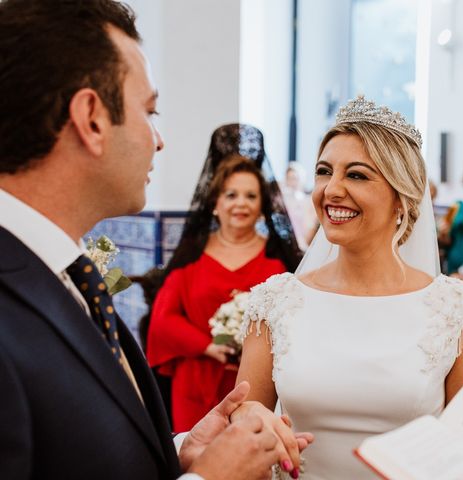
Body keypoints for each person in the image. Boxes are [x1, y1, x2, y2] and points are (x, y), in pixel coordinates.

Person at [0, 1, 311, 479]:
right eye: (149, 111)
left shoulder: (67, 274)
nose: (159, 140)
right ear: (92, 118)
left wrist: (182, 451)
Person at [232, 96, 463, 479]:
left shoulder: (456, 310)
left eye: (356, 175)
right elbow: (244, 420)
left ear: (402, 197)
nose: (331, 190)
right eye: (323, 172)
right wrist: (250, 416)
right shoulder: (276, 301)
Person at [147, 142, 301, 431]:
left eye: (251, 196)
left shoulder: (277, 262)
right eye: (231, 195)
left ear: (262, 206)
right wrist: (207, 346)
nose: (240, 203)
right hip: (195, 382)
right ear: (215, 203)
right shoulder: (191, 256)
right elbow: (163, 320)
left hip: (257, 389)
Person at [281, 161, 317, 250]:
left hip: (303, 241)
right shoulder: (283, 201)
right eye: (289, 178)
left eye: (295, 178)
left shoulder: (309, 201)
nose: (292, 182)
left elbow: (311, 225)